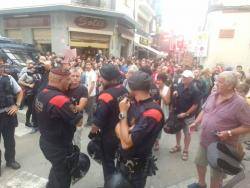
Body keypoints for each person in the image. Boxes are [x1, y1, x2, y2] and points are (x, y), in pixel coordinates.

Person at [188, 71, 250, 188]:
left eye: (219, 82)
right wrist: (196, 122)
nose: (215, 83)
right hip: (205, 140)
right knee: (199, 162)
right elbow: (204, 110)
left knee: (216, 173)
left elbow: (248, 125)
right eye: (216, 81)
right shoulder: (213, 95)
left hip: (222, 145)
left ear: (230, 86)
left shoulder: (240, 103)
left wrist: (230, 132)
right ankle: (201, 184)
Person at [35, 67, 83, 188]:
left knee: (57, 169)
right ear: (61, 80)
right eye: (68, 80)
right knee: (63, 178)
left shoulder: (42, 92)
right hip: (59, 147)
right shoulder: (60, 100)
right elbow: (79, 121)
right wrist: (74, 106)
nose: (71, 82)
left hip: (46, 141)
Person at [115, 71, 164, 188]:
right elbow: (117, 127)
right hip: (122, 160)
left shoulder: (153, 112)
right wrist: (125, 132)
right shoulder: (132, 103)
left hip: (136, 168)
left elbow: (126, 143)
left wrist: (122, 113)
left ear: (134, 88)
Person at [89, 64, 128, 186]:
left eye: (102, 77)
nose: (100, 79)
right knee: (120, 162)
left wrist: (92, 134)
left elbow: (97, 123)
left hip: (109, 137)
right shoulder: (123, 89)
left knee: (108, 163)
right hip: (123, 132)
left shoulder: (106, 95)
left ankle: (110, 184)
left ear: (110, 78)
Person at [170, 70, 201, 161]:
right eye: (183, 76)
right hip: (178, 113)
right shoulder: (180, 85)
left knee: (187, 133)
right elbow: (177, 95)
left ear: (191, 79)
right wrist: (175, 94)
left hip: (188, 116)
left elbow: (195, 105)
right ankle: (178, 146)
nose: (183, 78)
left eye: (185, 77)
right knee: (177, 130)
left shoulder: (195, 90)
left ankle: (186, 150)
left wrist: (186, 113)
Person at [0, 54, 23, 171]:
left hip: (8, 114)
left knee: (9, 141)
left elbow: (20, 92)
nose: (0, 67)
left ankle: (10, 160)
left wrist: (17, 105)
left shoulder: (9, 78)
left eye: (1, 65)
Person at [67, 67, 88, 150]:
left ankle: (77, 158)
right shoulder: (65, 87)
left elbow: (80, 108)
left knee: (76, 141)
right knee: (66, 141)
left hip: (77, 120)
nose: (75, 78)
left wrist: (64, 105)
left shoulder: (83, 89)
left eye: (77, 76)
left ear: (80, 78)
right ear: (69, 76)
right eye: (73, 76)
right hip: (65, 120)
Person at [155, 73, 171, 150]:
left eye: (160, 80)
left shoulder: (167, 89)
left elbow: (167, 102)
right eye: (157, 79)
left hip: (162, 112)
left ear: (163, 81)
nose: (158, 81)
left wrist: (161, 94)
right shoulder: (154, 88)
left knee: (158, 128)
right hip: (153, 111)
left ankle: (157, 142)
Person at [84, 61, 97, 126]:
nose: (87, 66)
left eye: (89, 64)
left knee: (90, 109)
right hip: (86, 93)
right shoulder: (86, 72)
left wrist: (88, 94)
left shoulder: (93, 73)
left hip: (91, 94)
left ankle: (90, 122)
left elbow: (92, 85)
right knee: (88, 109)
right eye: (87, 64)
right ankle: (92, 120)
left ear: (91, 66)